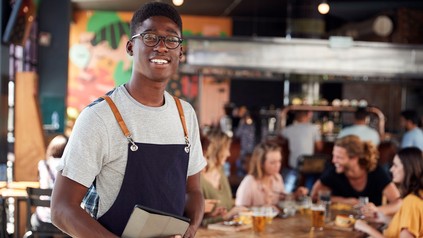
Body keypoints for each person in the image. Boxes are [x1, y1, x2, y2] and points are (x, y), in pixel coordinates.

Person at [51, 2, 207, 238]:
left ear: (180, 52)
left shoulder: (186, 115)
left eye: (171, 39)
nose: (162, 47)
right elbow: (62, 209)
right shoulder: (100, 117)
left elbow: (193, 191)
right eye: (150, 37)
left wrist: (191, 228)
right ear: (131, 47)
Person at [311, 135, 401, 216]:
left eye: (339, 157)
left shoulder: (375, 171)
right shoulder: (333, 171)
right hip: (340, 226)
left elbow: (398, 203)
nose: (333, 161)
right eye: (334, 156)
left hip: (370, 227)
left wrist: (377, 210)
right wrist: (347, 201)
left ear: (355, 158)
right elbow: (314, 197)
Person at [354, 147, 423, 238]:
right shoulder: (419, 195)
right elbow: (409, 225)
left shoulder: (411, 202)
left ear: (408, 168)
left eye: (395, 165)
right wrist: (383, 218)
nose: (391, 169)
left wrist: (367, 229)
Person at [235, 140, 308, 207]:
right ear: (261, 163)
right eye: (272, 162)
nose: (278, 166)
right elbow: (240, 211)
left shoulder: (277, 178)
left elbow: (283, 199)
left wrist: (296, 195)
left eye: (279, 161)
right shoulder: (249, 182)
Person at [201, 130, 246, 225]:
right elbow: (197, 222)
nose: (229, 154)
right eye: (226, 149)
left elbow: (227, 207)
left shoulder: (220, 171)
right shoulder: (197, 178)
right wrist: (228, 215)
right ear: (215, 150)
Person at [30, 135, 68, 237]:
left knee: (36, 218)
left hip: (43, 220)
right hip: (63, 221)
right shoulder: (67, 166)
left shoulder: (43, 164)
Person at [281, 110, 323, 191]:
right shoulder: (314, 128)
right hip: (308, 164)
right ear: (307, 115)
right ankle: (310, 193)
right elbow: (320, 147)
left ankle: (288, 192)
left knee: (290, 180)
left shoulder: (289, 129)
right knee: (312, 173)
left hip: (293, 164)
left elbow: (279, 137)